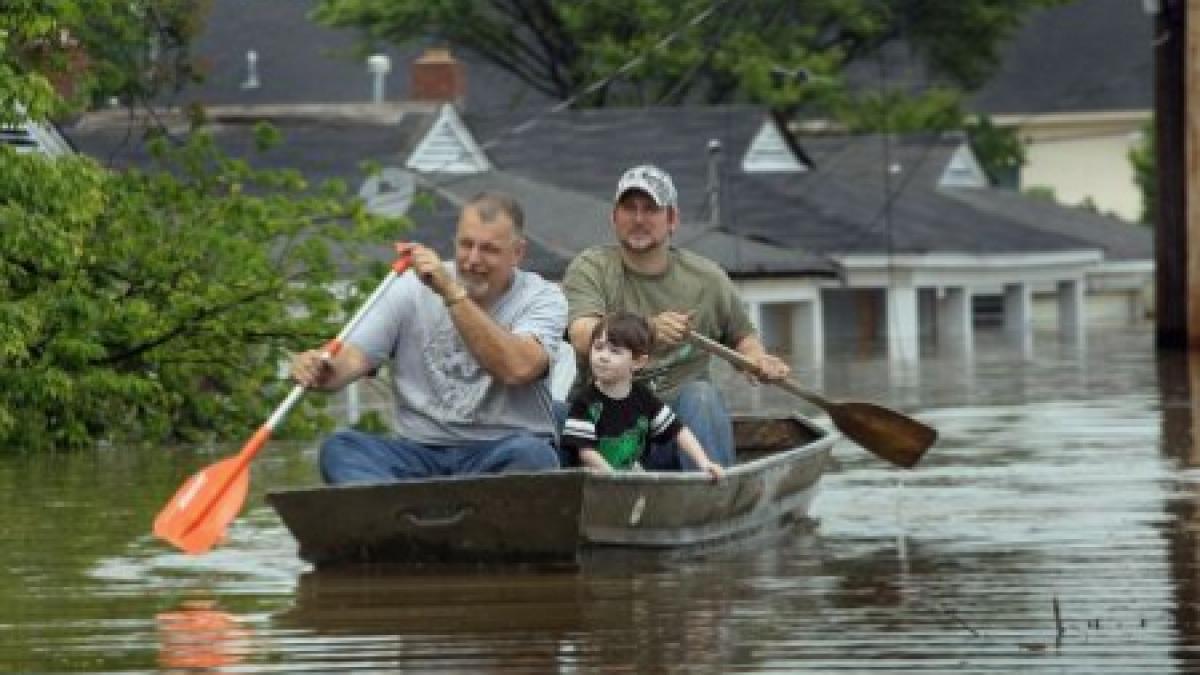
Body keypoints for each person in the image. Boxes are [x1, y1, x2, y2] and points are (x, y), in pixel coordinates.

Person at [290, 191, 566, 484]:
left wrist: (452, 294)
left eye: (489, 249)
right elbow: (355, 356)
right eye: (465, 245)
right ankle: (394, 517)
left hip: (500, 449)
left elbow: (517, 368)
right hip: (418, 452)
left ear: (518, 253)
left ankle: (414, 511)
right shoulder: (409, 288)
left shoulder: (543, 298)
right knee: (340, 448)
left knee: (534, 456)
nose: (473, 260)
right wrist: (324, 368)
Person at [561, 164, 791, 470]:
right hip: (600, 433)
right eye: (629, 208)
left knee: (702, 395)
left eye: (651, 209)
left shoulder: (708, 280)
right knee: (551, 413)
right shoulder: (591, 267)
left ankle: (711, 498)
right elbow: (580, 335)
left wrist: (759, 360)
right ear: (614, 218)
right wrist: (648, 330)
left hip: (673, 437)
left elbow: (743, 339)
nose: (639, 219)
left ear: (672, 220)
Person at [561, 311, 724, 480]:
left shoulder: (643, 398)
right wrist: (614, 478)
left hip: (631, 479)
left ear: (638, 362)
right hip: (594, 485)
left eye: (615, 351)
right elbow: (586, 452)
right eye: (598, 347)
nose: (603, 357)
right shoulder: (585, 401)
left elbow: (678, 431)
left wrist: (704, 462)